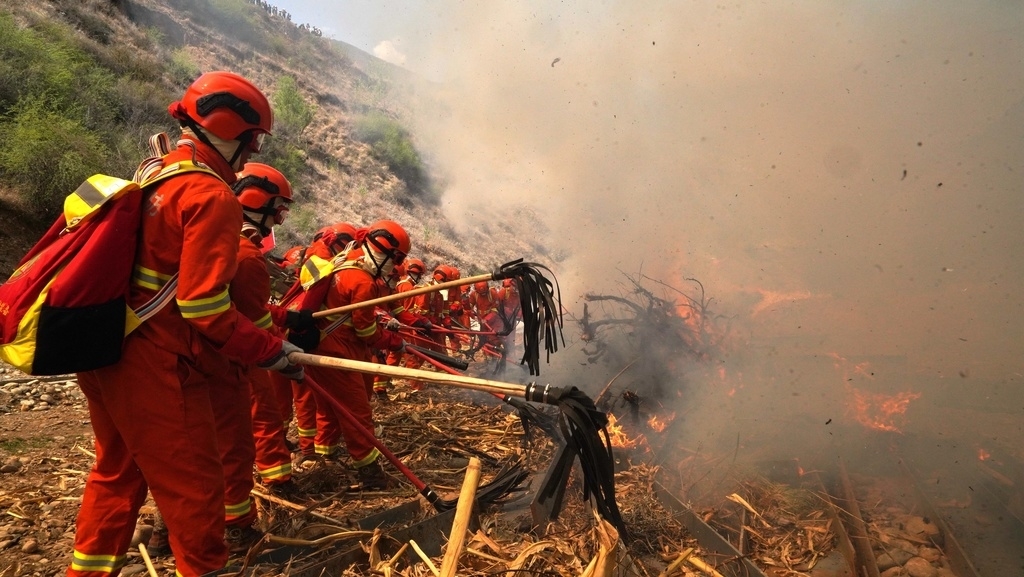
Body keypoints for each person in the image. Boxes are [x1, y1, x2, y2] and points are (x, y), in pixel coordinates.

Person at [69, 72, 304, 577]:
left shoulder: (155, 173)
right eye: (253, 139)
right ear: (229, 130)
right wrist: (270, 351)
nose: (253, 151)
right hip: (155, 364)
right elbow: (203, 307)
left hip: (105, 347)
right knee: (196, 490)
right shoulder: (210, 196)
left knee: (118, 474)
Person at [299, 220, 426, 488]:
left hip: (320, 348)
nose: (396, 266)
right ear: (384, 252)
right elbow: (366, 332)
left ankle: (325, 455)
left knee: (330, 409)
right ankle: (369, 471)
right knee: (357, 413)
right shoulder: (362, 281)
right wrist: (394, 342)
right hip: (338, 353)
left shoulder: (344, 263)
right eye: (397, 259)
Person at [371, 257, 429, 399]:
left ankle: (379, 389)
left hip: (388, 327)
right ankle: (377, 390)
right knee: (377, 359)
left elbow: (399, 310)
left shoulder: (390, 289)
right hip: (370, 328)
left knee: (384, 358)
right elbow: (369, 308)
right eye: (396, 278)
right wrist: (388, 318)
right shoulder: (372, 285)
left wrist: (417, 322)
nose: (397, 282)